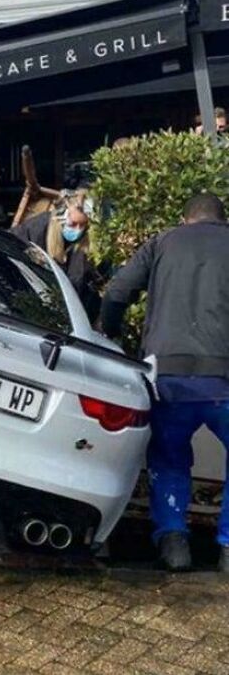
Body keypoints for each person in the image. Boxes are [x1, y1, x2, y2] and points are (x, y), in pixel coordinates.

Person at [101, 193, 229, 573]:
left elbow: (117, 293)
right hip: (225, 379)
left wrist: (113, 338)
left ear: (184, 218)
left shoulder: (162, 242)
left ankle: (174, 540)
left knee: (168, 458)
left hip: (169, 379)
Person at [11, 193, 101, 322]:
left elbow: (80, 281)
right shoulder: (37, 229)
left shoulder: (86, 245)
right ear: (63, 214)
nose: (78, 230)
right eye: (74, 224)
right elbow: (13, 245)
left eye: (83, 226)